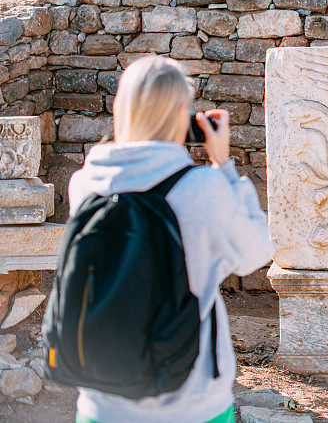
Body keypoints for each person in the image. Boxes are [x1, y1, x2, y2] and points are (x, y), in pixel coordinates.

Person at [67, 55, 274, 423]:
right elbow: (257, 250)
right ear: (184, 114)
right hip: (190, 399)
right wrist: (223, 166)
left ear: (121, 108)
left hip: (102, 400)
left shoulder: (85, 184)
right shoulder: (203, 189)